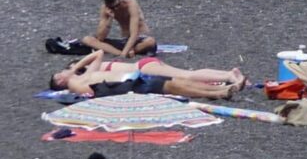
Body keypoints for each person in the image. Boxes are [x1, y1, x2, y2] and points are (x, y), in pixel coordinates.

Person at [53, 52, 242, 101]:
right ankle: (222, 88)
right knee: (180, 82)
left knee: (183, 80)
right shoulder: (76, 84)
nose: (62, 71)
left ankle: (223, 86)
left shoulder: (86, 74)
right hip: (132, 82)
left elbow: (98, 53)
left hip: (138, 74)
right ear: (60, 81)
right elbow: (93, 92)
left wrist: (74, 68)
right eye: (59, 74)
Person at [82, 0, 156, 57]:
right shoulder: (105, 9)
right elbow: (100, 38)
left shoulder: (131, 4)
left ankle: (125, 51)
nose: (116, 8)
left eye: (117, 5)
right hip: (124, 41)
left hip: (139, 39)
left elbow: (134, 34)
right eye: (112, 7)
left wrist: (125, 52)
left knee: (150, 42)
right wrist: (109, 19)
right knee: (87, 39)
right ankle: (119, 52)